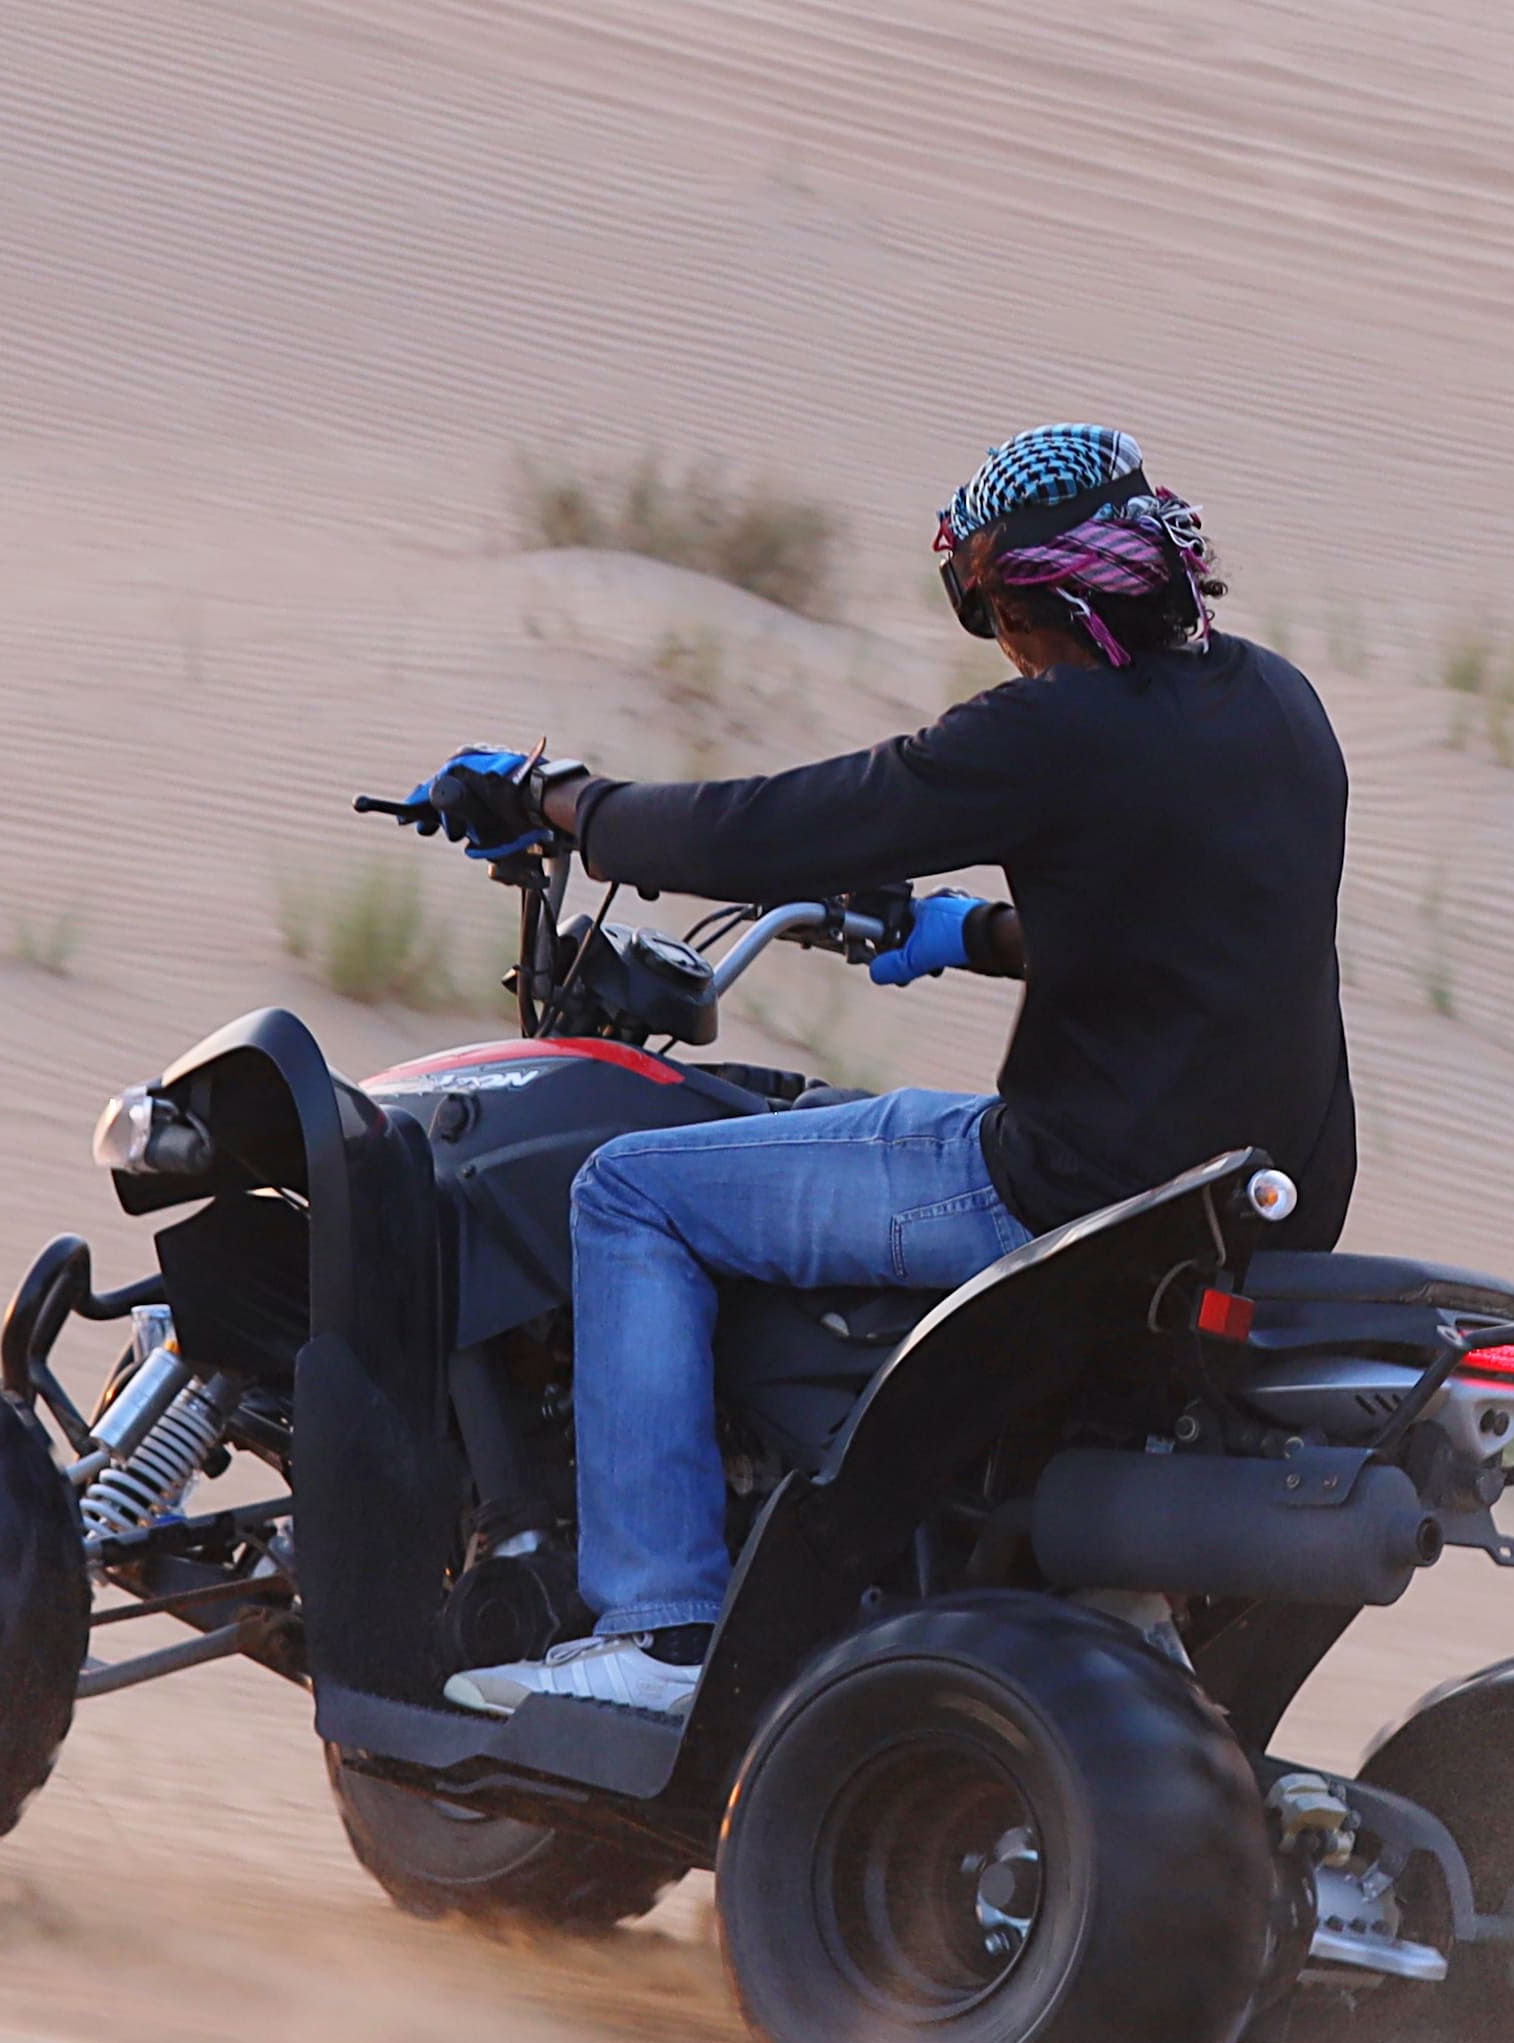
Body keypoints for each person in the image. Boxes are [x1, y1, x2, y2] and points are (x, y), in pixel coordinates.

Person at [422, 424, 1355, 1719]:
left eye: (978, 602)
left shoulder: (1053, 730)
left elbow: (784, 828)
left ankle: (658, 1638)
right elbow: (1179, 927)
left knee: (632, 1191)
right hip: (1257, 1211)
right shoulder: (1277, 706)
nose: (991, 637)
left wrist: (566, 801)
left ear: (1030, 595)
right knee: (843, 1137)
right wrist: (964, 931)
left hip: (1064, 1196)